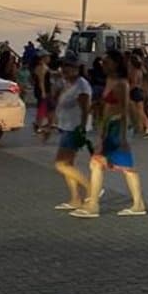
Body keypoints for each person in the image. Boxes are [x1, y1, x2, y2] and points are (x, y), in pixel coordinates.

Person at [71, 50, 147, 218]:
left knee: (102, 164)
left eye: (106, 62)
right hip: (109, 126)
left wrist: (122, 137)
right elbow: (109, 105)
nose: (102, 65)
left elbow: (126, 109)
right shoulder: (110, 80)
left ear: (115, 63)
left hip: (118, 127)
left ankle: (94, 205)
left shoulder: (121, 83)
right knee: (116, 166)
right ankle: (137, 203)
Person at [53, 54, 92, 211]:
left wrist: (81, 130)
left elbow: (85, 109)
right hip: (65, 125)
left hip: (74, 128)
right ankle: (75, 199)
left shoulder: (82, 86)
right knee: (68, 164)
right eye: (63, 66)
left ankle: (91, 188)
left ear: (77, 68)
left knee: (61, 164)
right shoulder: (67, 83)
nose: (64, 70)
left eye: (68, 66)